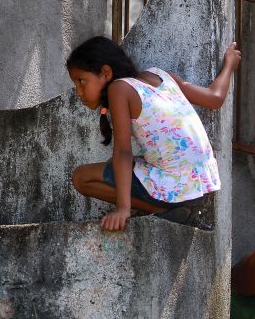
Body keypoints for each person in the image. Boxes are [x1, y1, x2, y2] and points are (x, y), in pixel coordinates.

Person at [66, 36, 241, 231]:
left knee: (81, 177)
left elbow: (123, 152)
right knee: (116, 166)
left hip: (176, 188)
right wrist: (229, 65)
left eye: (81, 81)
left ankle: (166, 211)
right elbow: (214, 98)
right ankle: (177, 209)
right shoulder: (159, 75)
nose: (78, 92)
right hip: (201, 184)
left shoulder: (119, 89)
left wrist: (123, 208)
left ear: (105, 73)